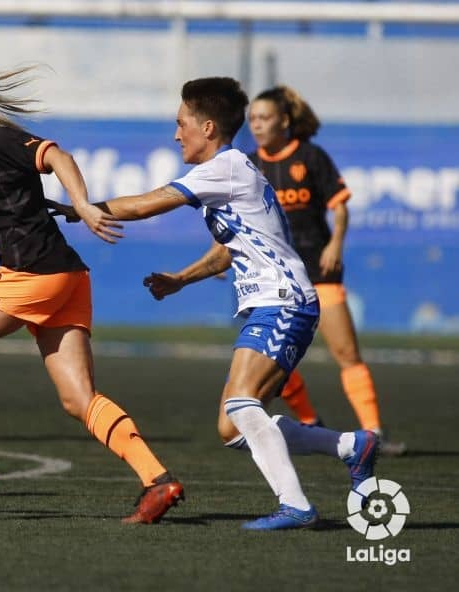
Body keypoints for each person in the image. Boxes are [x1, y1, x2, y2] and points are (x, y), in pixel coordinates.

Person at [52, 77, 377, 530]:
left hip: (282, 302)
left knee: (242, 405)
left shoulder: (224, 167)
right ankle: (348, 446)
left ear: (207, 128)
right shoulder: (230, 173)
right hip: (275, 303)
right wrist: (181, 279)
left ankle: (296, 505)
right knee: (232, 428)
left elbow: (148, 204)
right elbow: (231, 247)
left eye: (181, 123)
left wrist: (80, 207)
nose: (175, 134)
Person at [0, 57, 184, 525]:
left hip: (31, 274)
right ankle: (157, 480)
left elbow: (57, 156)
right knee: (78, 400)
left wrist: (81, 203)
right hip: (67, 279)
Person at [247, 86, 406, 456]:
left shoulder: (311, 157)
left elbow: (341, 207)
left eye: (264, 117)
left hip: (319, 270)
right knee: (270, 357)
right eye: (252, 118)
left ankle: (373, 434)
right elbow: (237, 219)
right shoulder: (249, 166)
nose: (257, 125)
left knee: (346, 352)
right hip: (276, 277)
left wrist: (335, 243)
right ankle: (308, 421)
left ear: (284, 121)